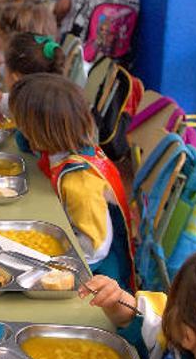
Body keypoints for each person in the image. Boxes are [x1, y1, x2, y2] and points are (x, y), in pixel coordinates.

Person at [9, 73, 134, 289]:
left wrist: (49, 259)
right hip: (73, 234)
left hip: (100, 272)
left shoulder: (79, 182)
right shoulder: (64, 146)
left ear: (40, 131)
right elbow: (27, 146)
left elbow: (95, 249)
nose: (17, 128)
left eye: (22, 125)